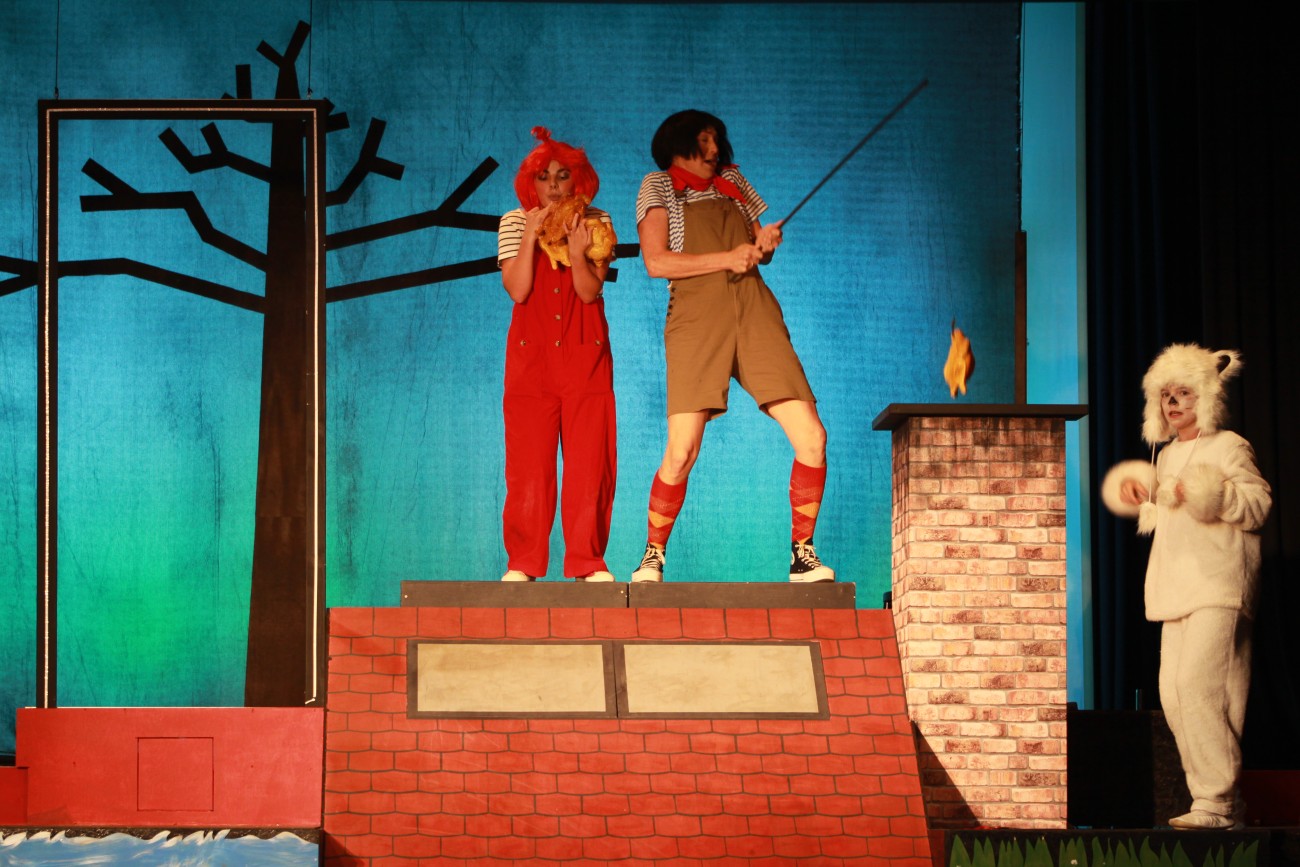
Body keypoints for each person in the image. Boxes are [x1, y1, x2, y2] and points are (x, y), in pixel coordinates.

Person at [629, 109, 833, 584]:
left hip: (754, 308)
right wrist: (728, 257)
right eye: (704, 140)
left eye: (716, 139)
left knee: (813, 437)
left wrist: (765, 243)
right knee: (682, 450)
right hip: (697, 315)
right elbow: (656, 262)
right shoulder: (658, 185)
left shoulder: (734, 181)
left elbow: (756, 250)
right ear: (679, 143)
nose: (714, 149)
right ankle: (652, 554)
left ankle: (802, 553)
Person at [1101, 343, 1271, 830]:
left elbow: (1258, 506)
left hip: (1218, 585)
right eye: (1166, 395)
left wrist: (1207, 491)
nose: (1173, 402)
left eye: (1184, 393)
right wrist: (1145, 493)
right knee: (1175, 696)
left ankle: (1217, 802)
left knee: (1200, 688)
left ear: (1207, 397)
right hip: (1176, 588)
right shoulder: (1167, 454)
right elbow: (1167, 510)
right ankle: (1218, 802)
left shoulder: (1230, 445)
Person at [497, 127, 617, 582]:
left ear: (577, 179)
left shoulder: (597, 220)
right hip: (532, 356)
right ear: (530, 181)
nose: (552, 185)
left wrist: (578, 252)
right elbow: (518, 289)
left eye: (562, 176)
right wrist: (532, 234)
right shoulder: (514, 221)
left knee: (590, 462)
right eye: (543, 176)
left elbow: (588, 292)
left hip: (585, 351)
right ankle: (523, 562)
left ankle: (587, 561)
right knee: (529, 465)